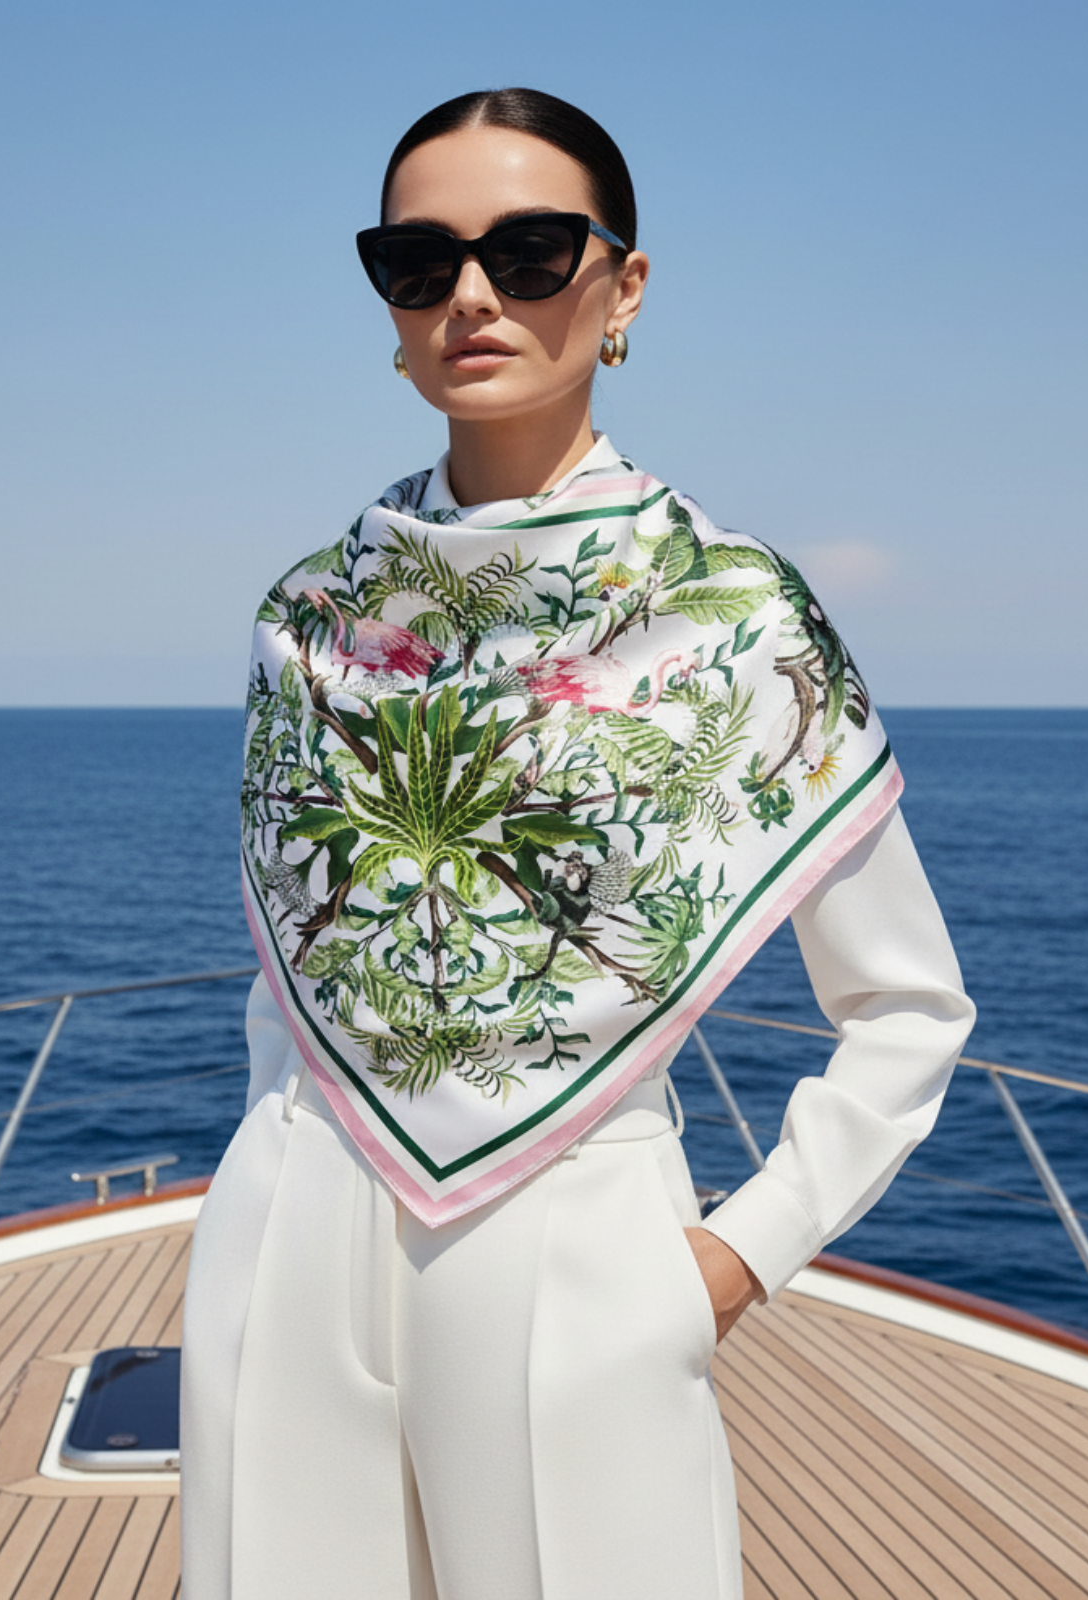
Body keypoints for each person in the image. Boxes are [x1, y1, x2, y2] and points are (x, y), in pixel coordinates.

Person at [180, 88, 975, 1600]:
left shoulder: (730, 613)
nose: (471, 294)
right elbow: (290, 979)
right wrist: (259, 1190)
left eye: (530, 249)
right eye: (418, 262)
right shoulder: (308, 615)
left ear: (622, 286)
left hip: (577, 1245)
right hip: (285, 1230)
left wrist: (733, 1259)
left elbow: (906, 1011)